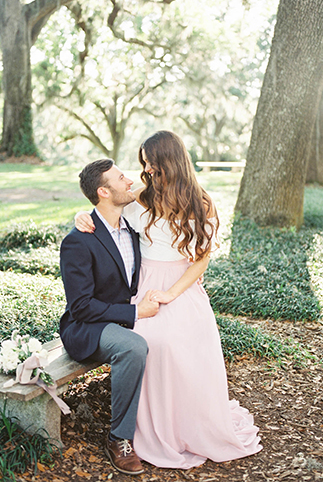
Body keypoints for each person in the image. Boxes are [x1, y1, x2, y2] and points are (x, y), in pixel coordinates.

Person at [75, 131, 262, 469]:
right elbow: (106, 205)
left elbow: (201, 259)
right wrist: (81, 216)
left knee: (183, 342)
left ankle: (189, 426)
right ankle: (143, 430)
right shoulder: (141, 195)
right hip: (145, 284)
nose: (146, 170)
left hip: (181, 286)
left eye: (152, 163)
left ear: (171, 161)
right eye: (143, 164)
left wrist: (173, 293)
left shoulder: (200, 202)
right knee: (151, 341)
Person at [60, 159, 160, 476]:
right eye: (121, 178)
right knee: (133, 347)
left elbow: (157, 186)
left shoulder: (130, 227)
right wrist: (135, 312)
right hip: (87, 328)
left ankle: (162, 424)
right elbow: (81, 307)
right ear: (104, 191)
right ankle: (120, 438)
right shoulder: (78, 240)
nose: (128, 180)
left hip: (122, 320)